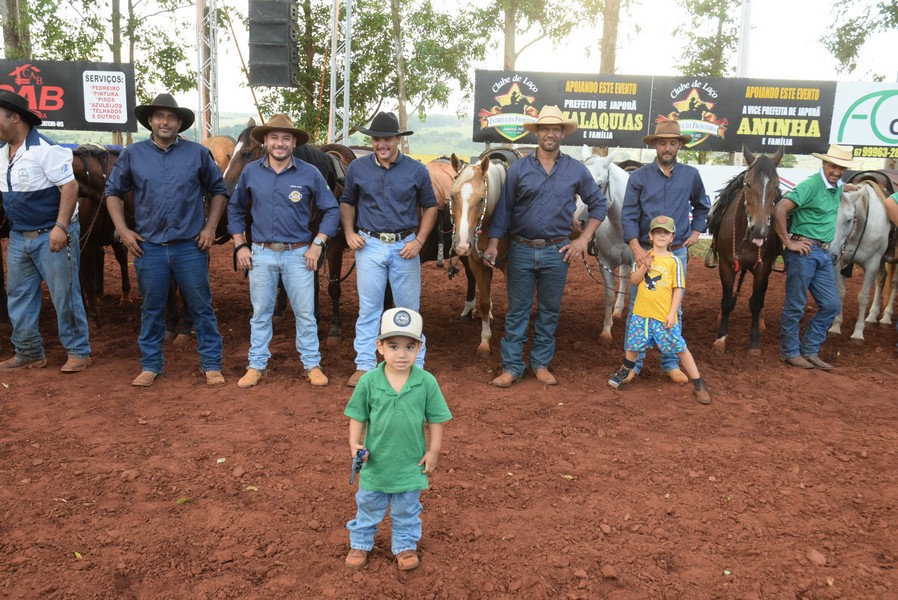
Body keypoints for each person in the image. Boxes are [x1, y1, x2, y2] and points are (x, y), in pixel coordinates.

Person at [105, 93, 229, 387]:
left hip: (190, 246)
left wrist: (210, 228)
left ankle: (211, 364)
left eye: (171, 117)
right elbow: (112, 193)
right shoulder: (133, 155)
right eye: (159, 116)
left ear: (179, 123)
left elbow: (219, 191)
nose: (165, 122)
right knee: (151, 307)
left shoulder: (197, 154)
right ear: (150, 120)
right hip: (149, 247)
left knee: (201, 306)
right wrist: (123, 231)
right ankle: (150, 365)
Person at [482, 105, 606, 388]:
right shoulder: (519, 169)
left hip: (557, 250)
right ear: (537, 133)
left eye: (556, 129)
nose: (550, 134)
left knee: (549, 310)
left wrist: (583, 239)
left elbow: (599, 204)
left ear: (562, 133)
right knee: (517, 310)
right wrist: (492, 245)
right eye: (545, 129)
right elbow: (504, 211)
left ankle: (540, 363)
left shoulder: (576, 169)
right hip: (521, 248)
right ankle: (512, 367)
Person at [228, 114, 340, 388]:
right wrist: (240, 244)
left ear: (293, 143)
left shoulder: (310, 173)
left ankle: (312, 364)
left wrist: (318, 244)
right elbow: (235, 208)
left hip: (298, 254)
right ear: (265, 141)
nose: (280, 143)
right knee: (261, 313)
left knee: (305, 313)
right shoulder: (251, 172)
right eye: (274, 137)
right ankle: (256, 365)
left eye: (285, 138)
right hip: (261, 253)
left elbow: (332, 209)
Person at [344, 307, 452, 571]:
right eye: (393, 346)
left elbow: (435, 418)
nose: (401, 354)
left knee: (407, 509)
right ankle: (360, 543)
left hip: (410, 463)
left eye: (409, 346)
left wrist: (434, 450)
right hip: (375, 462)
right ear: (379, 346)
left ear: (420, 347)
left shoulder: (426, 382)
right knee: (368, 505)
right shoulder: (368, 381)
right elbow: (358, 415)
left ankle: (404, 546)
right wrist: (353, 443)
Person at [340, 112, 438, 387]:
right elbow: (347, 202)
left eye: (387, 139)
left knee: (408, 309)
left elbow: (431, 206)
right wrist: (349, 232)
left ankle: (415, 365)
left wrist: (419, 241)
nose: (382, 144)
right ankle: (364, 364)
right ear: (372, 141)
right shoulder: (358, 169)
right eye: (376, 139)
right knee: (369, 308)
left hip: (404, 245)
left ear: (398, 139)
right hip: (369, 245)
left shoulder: (417, 170)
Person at [0, 90, 91, 373]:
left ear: (15, 117)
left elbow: (70, 187)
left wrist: (61, 227)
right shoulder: (2, 153)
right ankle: (28, 352)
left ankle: (78, 351)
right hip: (19, 236)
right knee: (19, 295)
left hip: (51, 233)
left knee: (64, 293)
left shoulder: (46, 149)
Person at [621, 120, 709, 384]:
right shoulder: (639, 177)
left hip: (676, 253)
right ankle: (632, 364)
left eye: (672, 143)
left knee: (674, 309)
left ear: (679, 145)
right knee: (638, 307)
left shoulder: (690, 175)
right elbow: (628, 214)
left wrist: (696, 232)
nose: (667, 147)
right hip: (646, 252)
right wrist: (636, 247)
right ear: (655, 146)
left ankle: (670, 363)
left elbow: (702, 207)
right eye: (662, 143)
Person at [607, 216, 711, 405]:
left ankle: (698, 382)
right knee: (633, 346)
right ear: (650, 236)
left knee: (680, 347)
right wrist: (644, 266)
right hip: (642, 314)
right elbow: (635, 280)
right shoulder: (643, 257)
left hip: (662, 316)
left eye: (666, 233)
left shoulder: (674, 262)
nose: (661, 236)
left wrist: (672, 313)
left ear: (672, 237)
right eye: (657, 232)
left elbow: (678, 289)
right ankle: (625, 370)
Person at [773, 144, 855, 370]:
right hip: (804, 252)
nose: (836, 171)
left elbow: (841, 185)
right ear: (823, 163)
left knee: (831, 304)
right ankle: (790, 352)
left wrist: (854, 187)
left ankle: (809, 349)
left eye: (841, 168)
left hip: (823, 253)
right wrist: (788, 242)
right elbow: (780, 208)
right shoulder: (810, 185)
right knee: (796, 305)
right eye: (833, 166)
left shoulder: (836, 186)